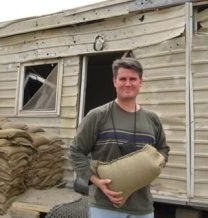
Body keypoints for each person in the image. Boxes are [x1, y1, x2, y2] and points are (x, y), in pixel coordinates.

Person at [70, 57, 170, 218]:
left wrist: (155, 165)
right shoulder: (97, 116)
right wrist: (96, 181)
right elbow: (75, 152)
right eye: (123, 79)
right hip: (104, 208)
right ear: (114, 82)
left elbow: (163, 149)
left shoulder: (152, 119)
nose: (128, 83)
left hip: (142, 209)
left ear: (140, 82)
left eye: (133, 79)